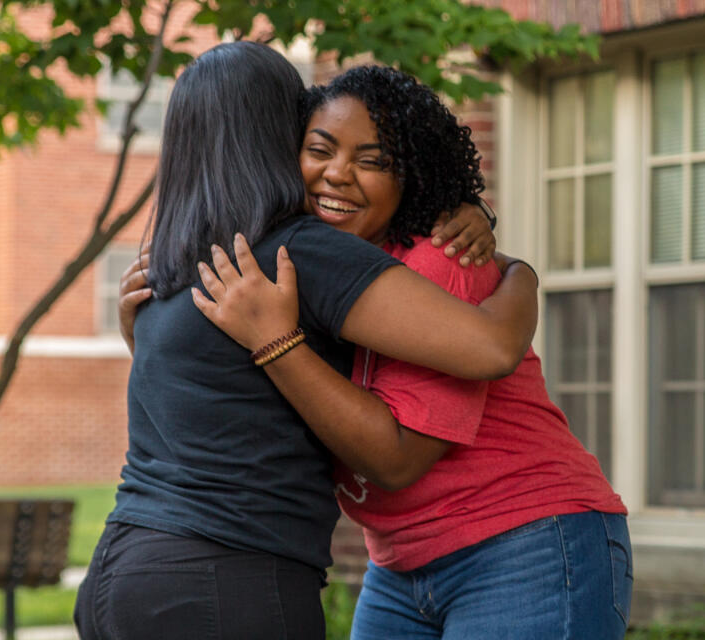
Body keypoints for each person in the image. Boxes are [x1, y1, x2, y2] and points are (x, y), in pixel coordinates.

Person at [73, 42, 541, 640]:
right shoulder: (299, 253)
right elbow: (493, 349)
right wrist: (520, 272)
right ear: (283, 133)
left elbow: (213, 399)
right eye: (314, 140)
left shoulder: (179, 263)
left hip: (122, 571)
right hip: (225, 578)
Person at [178, 64, 631, 638]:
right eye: (319, 149)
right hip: (399, 562)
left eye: (373, 161)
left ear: (409, 178)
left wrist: (276, 343)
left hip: (526, 537)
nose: (337, 174)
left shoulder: (439, 258)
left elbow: (397, 461)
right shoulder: (298, 265)